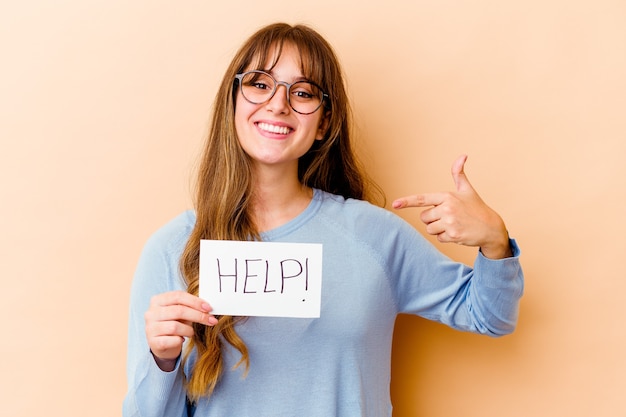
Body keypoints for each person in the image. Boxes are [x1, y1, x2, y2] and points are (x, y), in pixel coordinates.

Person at [123, 22, 523, 417]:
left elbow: (489, 316)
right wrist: (162, 359)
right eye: (260, 84)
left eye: (302, 92)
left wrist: (495, 243)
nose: (278, 103)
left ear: (324, 123)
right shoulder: (173, 247)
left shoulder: (373, 236)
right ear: (233, 102)